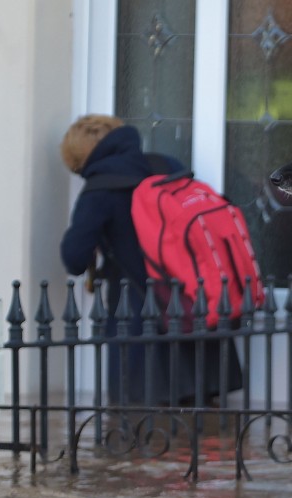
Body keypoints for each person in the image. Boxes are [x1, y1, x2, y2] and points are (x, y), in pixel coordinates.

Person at [59, 114, 242, 406]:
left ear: (79, 157)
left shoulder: (100, 189)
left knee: (143, 432)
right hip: (196, 310)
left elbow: (74, 258)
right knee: (208, 432)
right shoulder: (165, 166)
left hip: (140, 325)